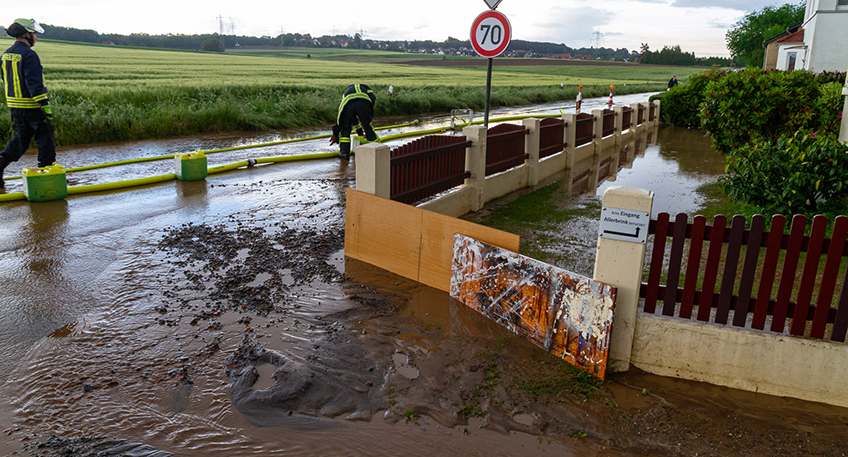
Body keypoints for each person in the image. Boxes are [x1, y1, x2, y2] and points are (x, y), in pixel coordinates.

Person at [0, 18, 55, 188]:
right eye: (34, 34)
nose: (36, 38)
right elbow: (34, 85)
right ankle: (47, 176)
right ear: (26, 34)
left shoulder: (6, 54)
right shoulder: (29, 55)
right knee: (45, 137)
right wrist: (46, 108)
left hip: (15, 107)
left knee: (20, 140)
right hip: (32, 106)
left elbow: (5, 79)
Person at [329, 84, 378, 160]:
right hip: (363, 102)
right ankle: (376, 149)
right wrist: (368, 111)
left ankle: (344, 153)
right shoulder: (365, 87)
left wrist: (336, 132)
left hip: (348, 105)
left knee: (345, 128)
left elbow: (347, 118)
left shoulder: (346, 93)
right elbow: (373, 98)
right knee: (367, 126)